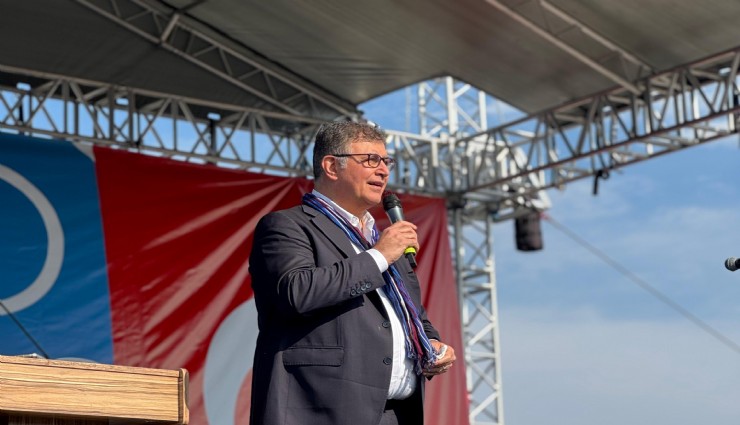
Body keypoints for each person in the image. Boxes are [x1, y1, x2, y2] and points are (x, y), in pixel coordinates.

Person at [248, 121, 456, 425]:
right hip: (321, 411)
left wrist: (432, 343)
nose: (383, 171)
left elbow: (414, 317)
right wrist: (379, 256)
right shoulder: (287, 226)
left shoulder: (384, 242)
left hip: (395, 414)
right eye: (371, 160)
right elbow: (297, 293)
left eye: (386, 161)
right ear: (332, 166)